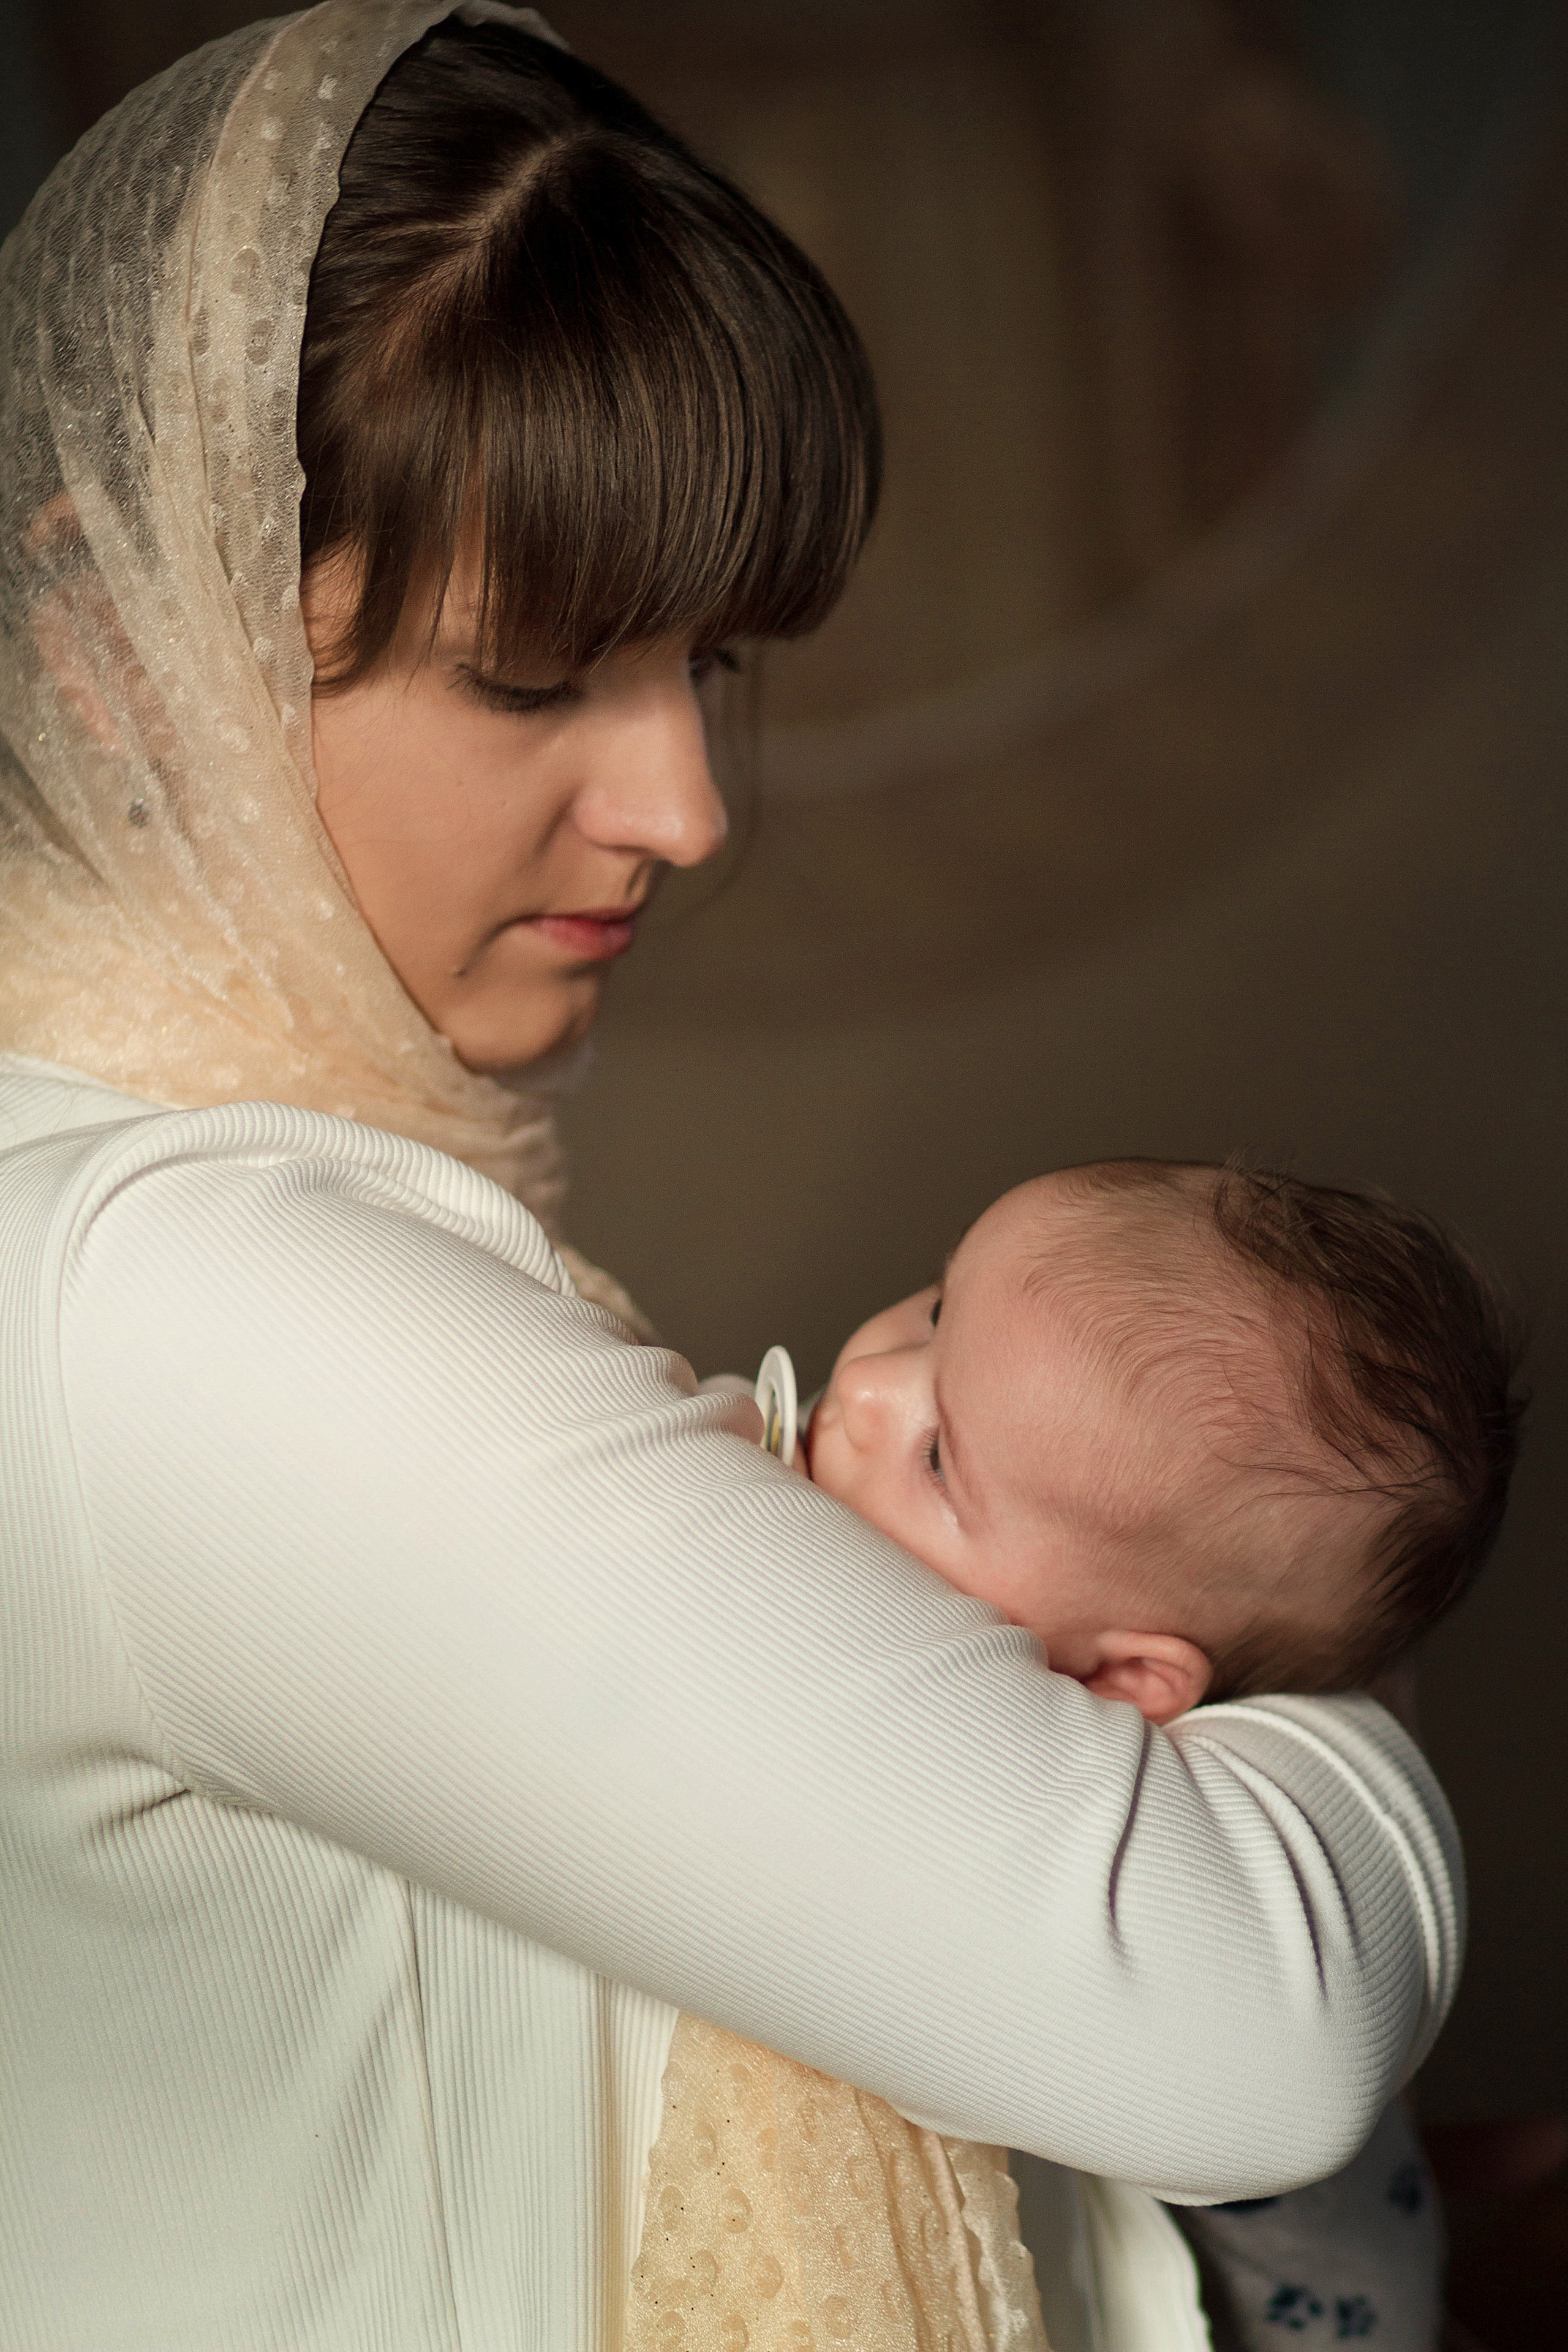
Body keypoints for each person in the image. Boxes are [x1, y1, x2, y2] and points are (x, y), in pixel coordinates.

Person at [0, 7, 1463, 2347]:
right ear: (119, 646)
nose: (683, 806)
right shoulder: (193, 1304)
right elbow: (1249, 2017)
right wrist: (1298, 1644)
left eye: (708, 660)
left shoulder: (126, 1187)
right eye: (537, 670)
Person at [627, 1158, 1521, 2352]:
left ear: (1116, 1680)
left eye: (940, 1459)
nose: (866, 1389)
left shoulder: (1137, 1825)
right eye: (936, 1309)